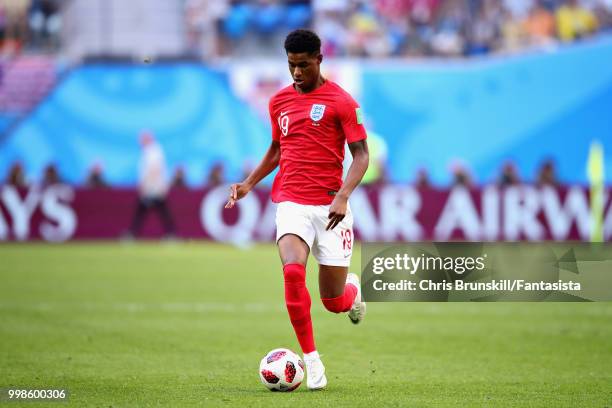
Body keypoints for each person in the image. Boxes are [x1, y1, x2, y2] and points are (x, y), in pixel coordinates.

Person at [225, 29, 369, 390]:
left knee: (333, 303)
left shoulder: (342, 102)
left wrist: (343, 195)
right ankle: (312, 362)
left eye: (303, 65)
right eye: (291, 65)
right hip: (292, 202)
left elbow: (362, 155)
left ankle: (352, 291)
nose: (296, 73)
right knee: (292, 273)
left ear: (319, 59)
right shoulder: (278, 102)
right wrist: (248, 183)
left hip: (331, 208)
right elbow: (276, 149)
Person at [127, 131, 175, 238]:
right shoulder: (149, 151)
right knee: (149, 211)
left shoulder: (153, 151)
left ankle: (171, 233)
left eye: (142, 139)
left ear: (148, 138)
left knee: (155, 211)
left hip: (153, 187)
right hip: (153, 186)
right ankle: (171, 233)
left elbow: (155, 169)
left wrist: (147, 186)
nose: (140, 142)